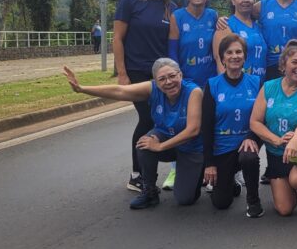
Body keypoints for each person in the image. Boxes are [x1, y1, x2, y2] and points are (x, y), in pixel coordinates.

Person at [63, 57, 202, 209]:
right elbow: (120, 91)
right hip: (166, 138)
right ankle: (149, 191)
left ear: (180, 75)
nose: (168, 82)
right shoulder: (152, 89)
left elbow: (193, 130)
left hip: (191, 147)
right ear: (155, 81)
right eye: (162, 79)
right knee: (144, 143)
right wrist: (82, 88)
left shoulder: (193, 92)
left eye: (172, 76)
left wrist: (160, 146)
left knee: (185, 199)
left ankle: (199, 169)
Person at [113, 0, 176, 192]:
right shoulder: (130, 2)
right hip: (137, 71)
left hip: (161, 74)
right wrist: (122, 73)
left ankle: (151, 171)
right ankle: (137, 174)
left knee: (159, 119)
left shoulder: (171, 8)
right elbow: (118, 38)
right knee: (148, 119)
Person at [249, 40, 297, 216]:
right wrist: (276, 140)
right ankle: (289, 183)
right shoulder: (269, 87)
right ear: (283, 65)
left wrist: (295, 139)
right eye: (295, 62)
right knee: (284, 209)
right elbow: (255, 122)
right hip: (277, 153)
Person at [201, 34, 263, 214]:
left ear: (245, 57)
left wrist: (251, 136)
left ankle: (253, 200)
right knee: (221, 203)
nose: (235, 56)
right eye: (229, 52)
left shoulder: (256, 82)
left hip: (247, 141)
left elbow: (261, 117)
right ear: (222, 58)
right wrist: (209, 163)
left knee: (248, 157)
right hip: (223, 146)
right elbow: (206, 126)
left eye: (239, 52)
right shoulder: (213, 85)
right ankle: (229, 181)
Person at [167, 0, 218, 191]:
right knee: (182, 124)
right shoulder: (177, 16)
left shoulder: (213, 16)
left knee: (209, 124)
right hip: (186, 81)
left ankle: (211, 167)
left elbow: (218, 46)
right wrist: (176, 78)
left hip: (208, 81)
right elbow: (172, 50)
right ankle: (175, 168)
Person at [213, 0, 266, 80]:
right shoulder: (225, 26)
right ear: (233, 1)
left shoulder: (259, 26)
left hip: (259, 85)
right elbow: (221, 62)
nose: (245, 0)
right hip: (239, 86)